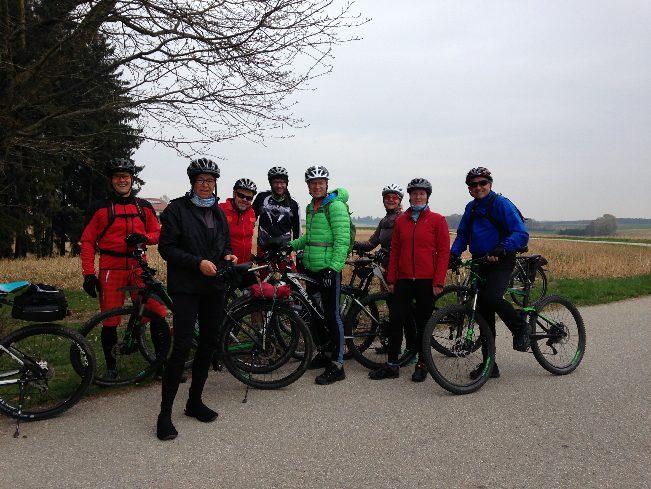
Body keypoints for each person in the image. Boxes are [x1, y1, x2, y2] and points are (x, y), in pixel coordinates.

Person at [156, 157, 237, 441]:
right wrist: (197, 262)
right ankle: (164, 414)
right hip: (186, 286)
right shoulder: (176, 210)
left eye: (210, 181)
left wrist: (227, 255)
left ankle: (194, 402)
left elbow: (223, 243)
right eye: (201, 180)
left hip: (213, 287)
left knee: (208, 345)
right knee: (181, 347)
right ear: (192, 183)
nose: (206, 185)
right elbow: (166, 248)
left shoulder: (217, 212)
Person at [80, 157, 167, 380]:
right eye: (118, 176)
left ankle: (160, 364)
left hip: (139, 265)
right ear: (112, 180)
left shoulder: (144, 207)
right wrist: (88, 274)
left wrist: (144, 237)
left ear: (131, 179)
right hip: (111, 267)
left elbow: (158, 234)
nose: (122, 180)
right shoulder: (100, 209)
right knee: (110, 320)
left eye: (126, 176)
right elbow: (88, 242)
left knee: (157, 312)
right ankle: (111, 368)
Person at [449, 166, 530, 379]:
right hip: (479, 261)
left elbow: (521, 234)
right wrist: (453, 254)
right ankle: (489, 365)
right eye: (473, 184)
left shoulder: (501, 204)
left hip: (501, 259)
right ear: (468, 189)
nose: (478, 187)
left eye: (482, 183)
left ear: (490, 184)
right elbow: (463, 235)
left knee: (492, 297)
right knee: (484, 314)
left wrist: (502, 247)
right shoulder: (471, 208)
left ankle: (521, 327)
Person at [369, 178, 450, 382]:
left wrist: (438, 282)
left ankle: (422, 364)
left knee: (422, 323)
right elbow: (395, 250)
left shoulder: (437, 220)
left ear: (427, 196)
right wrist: (392, 278)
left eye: (421, 194)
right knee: (396, 321)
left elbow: (443, 253)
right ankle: (392, 365)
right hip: (403, 279)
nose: (418, 197)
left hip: (426, 280)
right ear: (410, 197)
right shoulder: (402, 221)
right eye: (414, 194)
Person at [289, 165, 351, 385]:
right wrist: (289, 246)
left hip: (327, 270)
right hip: (311, 267)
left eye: (320, 183)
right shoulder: (311, 207)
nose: (316, 186)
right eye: (312, 183)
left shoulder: (334, 206)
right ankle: (325, 353)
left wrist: (333, 268)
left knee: (332, 315)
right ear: (308, 186)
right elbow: (309, 238)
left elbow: (342, 240)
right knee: (316, 313)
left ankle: (337, 364)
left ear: (327, 184)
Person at [353, 184, 404, 267]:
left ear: (399, 201)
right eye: (387, 197)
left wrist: (388, 253)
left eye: (394, 197)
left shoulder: (403, 219)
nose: (391, 200)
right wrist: (351, 244)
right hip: (386, 266)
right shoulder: (384, 221)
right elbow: (370, 244)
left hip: (401, 268)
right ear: (383, 200)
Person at [253, 166, 301, 254]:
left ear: (287, 183)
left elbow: (297, 231)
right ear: (271, 183)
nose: (279, 186)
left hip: (284, 251)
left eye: (282, 182)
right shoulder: (261, 197)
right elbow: (251, 221)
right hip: (263, 249)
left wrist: (299, 253)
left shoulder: (293, 204)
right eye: (276, 182)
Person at [219, 178, 258, 278]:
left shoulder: (252, 212)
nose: (245, 200)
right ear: (234, 194)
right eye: (241, 195)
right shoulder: (221, 209)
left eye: (249, 198)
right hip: (227, 265)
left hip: (246, 266)